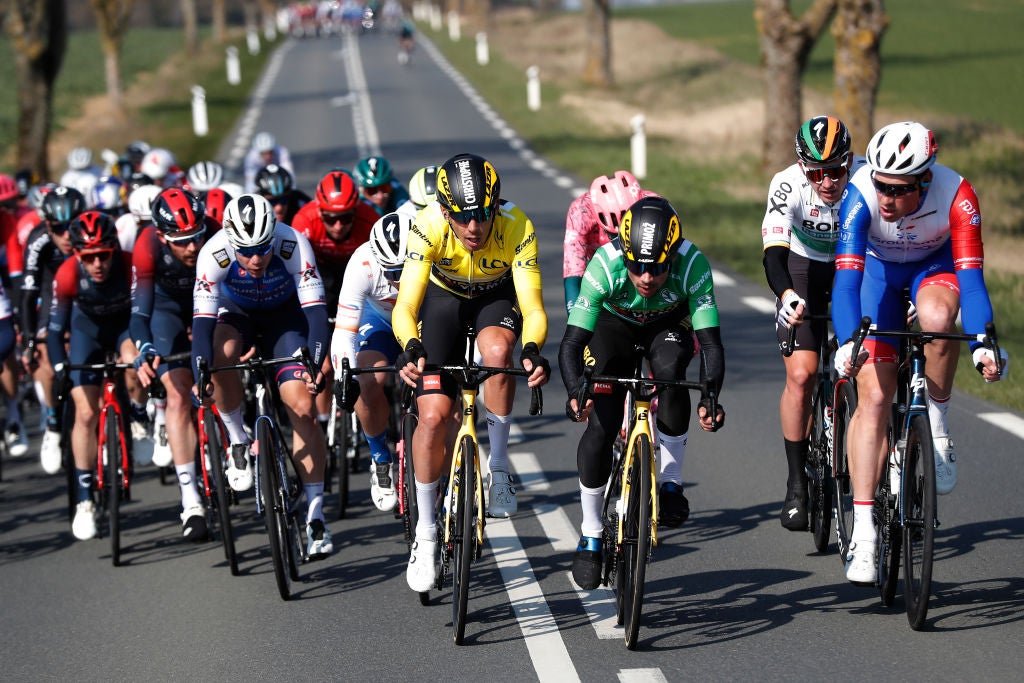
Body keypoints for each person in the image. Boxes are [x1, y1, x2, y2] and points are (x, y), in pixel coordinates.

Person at [832, 121, 1007, 584]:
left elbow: (971, 283)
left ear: (924, 181)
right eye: (881, 186)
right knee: (871, 399)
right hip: (877, 278)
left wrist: (983, 342)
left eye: (899, 190)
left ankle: (938, 421)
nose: (886, 198)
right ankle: (866, 534)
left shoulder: (957, 195)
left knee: (936, 319)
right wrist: (849, 342)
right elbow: (846, 283)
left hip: (934, 268)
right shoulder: (858, 195)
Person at [393, 152, 550, 593]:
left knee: (500, 352)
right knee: (434, 416)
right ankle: (425, 535)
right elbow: (406, 306)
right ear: (445, 211)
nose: (474, 228)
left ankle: (498, 467)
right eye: (462, 219)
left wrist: (533, 349)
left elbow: (533, 308)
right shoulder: (426, 225)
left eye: (483, 215)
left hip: (494, 299)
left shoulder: (518, 226)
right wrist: (411, 346)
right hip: (442, 301)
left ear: (496, 205)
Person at [559, 196, 726, 589]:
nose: (647, 278)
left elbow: (712, 345)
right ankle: (591, 534)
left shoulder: (694, 265)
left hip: (668, 325)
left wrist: (710, 398)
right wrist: (573, 391)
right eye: (637, 267)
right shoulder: (603, 265)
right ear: (624, 254)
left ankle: (670, 481)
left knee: (670, 373)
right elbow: (570, 343)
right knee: (600, 424)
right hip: (612, 327)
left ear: (673, 257)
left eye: (657, 269)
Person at [190, 194, 334, 558]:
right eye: (246, 251)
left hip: (284, 319)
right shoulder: (213, 253)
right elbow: (202, 326)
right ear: (230, 240)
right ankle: (238, 440)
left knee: (302, 405)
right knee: (220, 355)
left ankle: (316, 511)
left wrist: (315, 367)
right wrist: (201, 374)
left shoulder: (292, 244)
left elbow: (316, 316)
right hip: (235, 313)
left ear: (273, 237)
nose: (255, 259)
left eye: (262, 249)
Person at [760, 115, 864, 531]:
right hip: (801, 266)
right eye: (816, 172)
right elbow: (773, 255)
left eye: (835, 170)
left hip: (848, 265)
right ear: (803, 168)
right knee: (802, 376)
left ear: (850, 162)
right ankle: (796, 482)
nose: (827, 181)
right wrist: (786, 296)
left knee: (864, 364)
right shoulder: (786, 184)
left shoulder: (866, 181)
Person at [46, 211, 152, 540]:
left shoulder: (131, 263)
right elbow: (54, 332)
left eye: (104, 256)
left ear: (113, 251)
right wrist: (62, 367)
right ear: (77, 255)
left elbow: (143, 314)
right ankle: (84, 498)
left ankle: (137, 415)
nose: (97, 265)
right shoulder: (65, 274)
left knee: (134, 365)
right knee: (86, 412)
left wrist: (139, 352)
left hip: (124, 327)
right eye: (89, 257)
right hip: (86, 333)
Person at [133, 188, 217, 539]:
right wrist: (145, 346)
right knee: (179, 393)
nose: (192, 248)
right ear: (162, 236)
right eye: (181, 242)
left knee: (224, 369)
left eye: (196, 238)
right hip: (168, 309)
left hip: (214, 300)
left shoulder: (215, 232)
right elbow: (140, 313)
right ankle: (190, 498)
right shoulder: (146, 246)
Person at [330, 211, 412, 512]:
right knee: (367, 379)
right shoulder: (361, 263)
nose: (398, 278)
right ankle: (380, 459)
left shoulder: (434, 254)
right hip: (379, 320)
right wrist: (344, 376)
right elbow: (343, 331)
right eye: (391, 271)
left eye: (405, 269)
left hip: (422, 319)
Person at [291, 170, 378, 430]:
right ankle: (323, 422)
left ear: (357, 211)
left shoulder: (370, 219)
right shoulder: (304, 221)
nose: (338, 226)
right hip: (320, 276)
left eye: (345, 218)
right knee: (325, 367)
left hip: (358, 275)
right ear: (319, 212)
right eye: (330, 218)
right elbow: (298, 275)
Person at [21, 187, 86, 474]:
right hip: (52, 296)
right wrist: (29, 340)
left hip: (87, 297)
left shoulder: (91, 232)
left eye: (70, 227)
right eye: (58, 228)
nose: (66, 236)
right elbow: (27, 292)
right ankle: (52, 420)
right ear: (48, 225)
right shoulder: (38, 241)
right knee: (45, 354)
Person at [563, 170, 655, 314]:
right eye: (612, 235)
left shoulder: (655, 207)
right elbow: (573, 274)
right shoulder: (580, 211)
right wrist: (575, 318)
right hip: (602, 275)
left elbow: (677, 263)